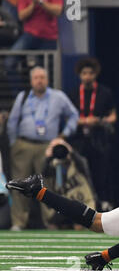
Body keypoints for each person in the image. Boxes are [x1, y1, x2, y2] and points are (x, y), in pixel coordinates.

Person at [6, 66, 79, 230]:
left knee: (48, 184)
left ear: (47, 80)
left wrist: (64, 135)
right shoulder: (23, 97)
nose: (39, 80)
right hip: (23, 145)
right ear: (31, 81)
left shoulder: (57, 97)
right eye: (36, 78)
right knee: (19, 183)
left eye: (42, 77)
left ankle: (51, 221)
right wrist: (13, 144)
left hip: (47, 146)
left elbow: (74, 115)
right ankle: (18, 222)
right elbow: (12, 121)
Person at [68, 57, 116, 209]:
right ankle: (82, 206)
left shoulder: (105, 92)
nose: (87, 76)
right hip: (79, 140)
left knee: (101, 174)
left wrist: (99, 121)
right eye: (84, 73)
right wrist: (82, 121)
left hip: (99, 140)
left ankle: (103, 205)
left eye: (90, 73)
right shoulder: (73, 93)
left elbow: (113, 116)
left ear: (95, 74)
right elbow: (67, 118)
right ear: (79, 75)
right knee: (79, 175)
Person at [42, 138, 97, 230]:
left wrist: (69, 150)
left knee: (79, 226)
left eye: (61, 146)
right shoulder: (52, 166)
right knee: (52, 227)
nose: (60, 150)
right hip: (62, 206)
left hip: (83, 203)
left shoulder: (78, 163)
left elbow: (83, 163)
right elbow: (44, 175)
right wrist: (48, 157)